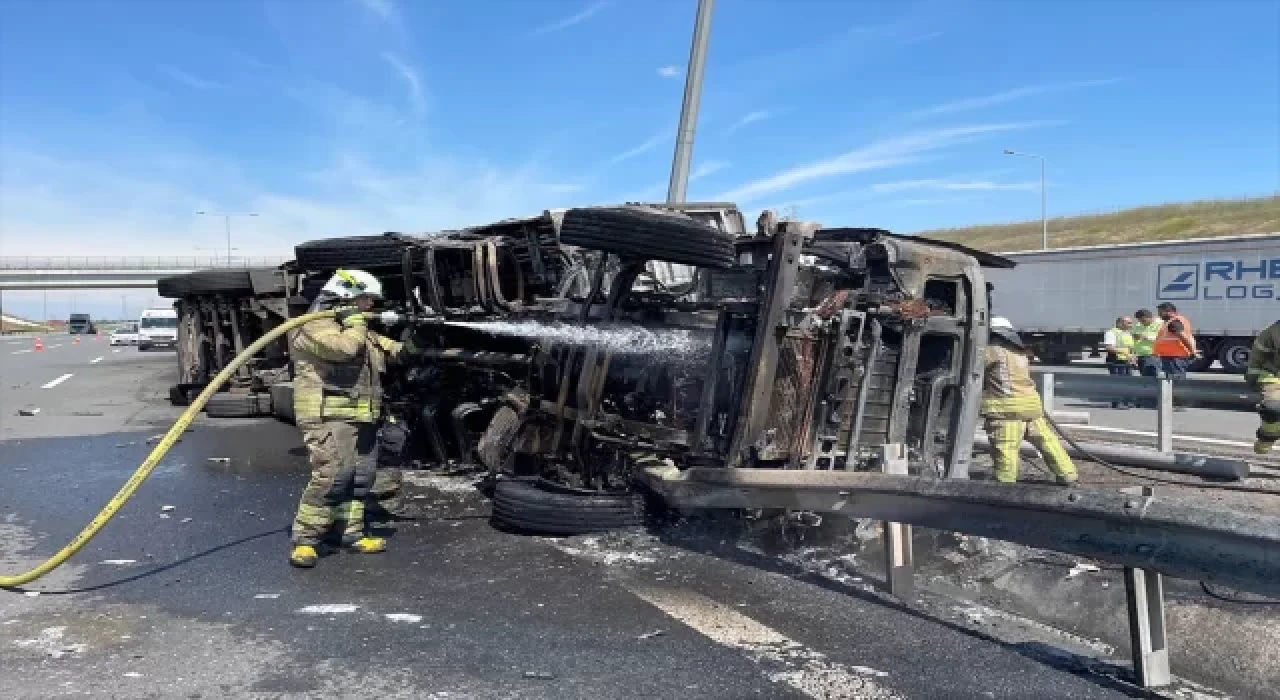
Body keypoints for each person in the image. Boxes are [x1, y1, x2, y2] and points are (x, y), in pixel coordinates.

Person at [287, 269, 414, 568]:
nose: (370, 305)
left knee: (360, 478)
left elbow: (396, 352)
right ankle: (306, 540)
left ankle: (350, 533)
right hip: (327, 414)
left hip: (362, 415)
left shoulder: (357, 328)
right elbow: (344, 350)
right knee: (332, 475)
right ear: (345, 295)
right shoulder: (312, 326)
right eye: (366, 298)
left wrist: (415, 335)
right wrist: (355, 323)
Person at [982, 317, 1078, 485]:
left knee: (1006, 446)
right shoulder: (1019, 351)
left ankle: (1005, 483)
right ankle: (1067, 475)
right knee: (1047, 441)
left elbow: (972, 367)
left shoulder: (992, 350)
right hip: (1031, 405)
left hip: (1007, 408)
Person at [1246, 321, 1280, 454]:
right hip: (1274, 375)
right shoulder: (1273, 331)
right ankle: (1267, 438)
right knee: (1272, 408)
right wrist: (1253, 378)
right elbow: (1257, 355)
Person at [1153, 302, 1198, 381]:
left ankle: (1176, 393)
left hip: (1174, 357)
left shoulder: (1174, 322)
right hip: (1172, 356)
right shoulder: (1173, 321)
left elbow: (1183, 337)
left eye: (1160, 312)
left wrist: (1192, 351)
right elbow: (1190, 337)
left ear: (1169, 312)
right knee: (1173, 379)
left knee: (1175, 381)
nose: (1159, 314)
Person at [1102, 315, 1136, 408]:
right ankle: (1117, 402)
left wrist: (1132, 357)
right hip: (1115, 360)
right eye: (1128, 323)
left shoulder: (1127, 333)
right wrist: (1125, 354)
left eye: (1131, 322)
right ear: (1120, 323)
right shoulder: (1111, 333)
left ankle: (1126, 401)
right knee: (1117, 382)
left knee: (1128, 382)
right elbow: (1109, 347)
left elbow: (1130, 347)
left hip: (1126, 361)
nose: (1131, 325)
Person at [1131, 309, 1162, 378]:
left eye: (1143, 321)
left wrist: (1146, 337)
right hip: (1140, 356)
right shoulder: (1139, 325)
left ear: (1149, 317)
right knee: (1145, 378)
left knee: (1151, 378)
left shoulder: (1160, 324)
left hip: (1153, 356)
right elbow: (1134, 339)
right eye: (1139, 321)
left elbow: (1162, 339)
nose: (1142, 323)